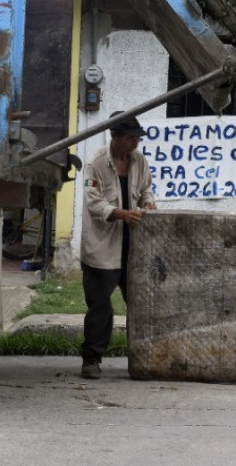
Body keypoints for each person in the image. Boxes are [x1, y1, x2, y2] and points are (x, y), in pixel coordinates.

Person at [79, 112, 156, 380]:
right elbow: (94, 202)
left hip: (132, 245)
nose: (135, 143)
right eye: (129, 138)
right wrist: (122, 213)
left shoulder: (139, 161)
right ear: (114, 136)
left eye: (137, 138)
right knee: (100, 305)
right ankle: (91, 359)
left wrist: (147, 203)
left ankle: (145, 356)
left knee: (140, 303)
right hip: (102, 246)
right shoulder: (96, 163)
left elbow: (146, 189)